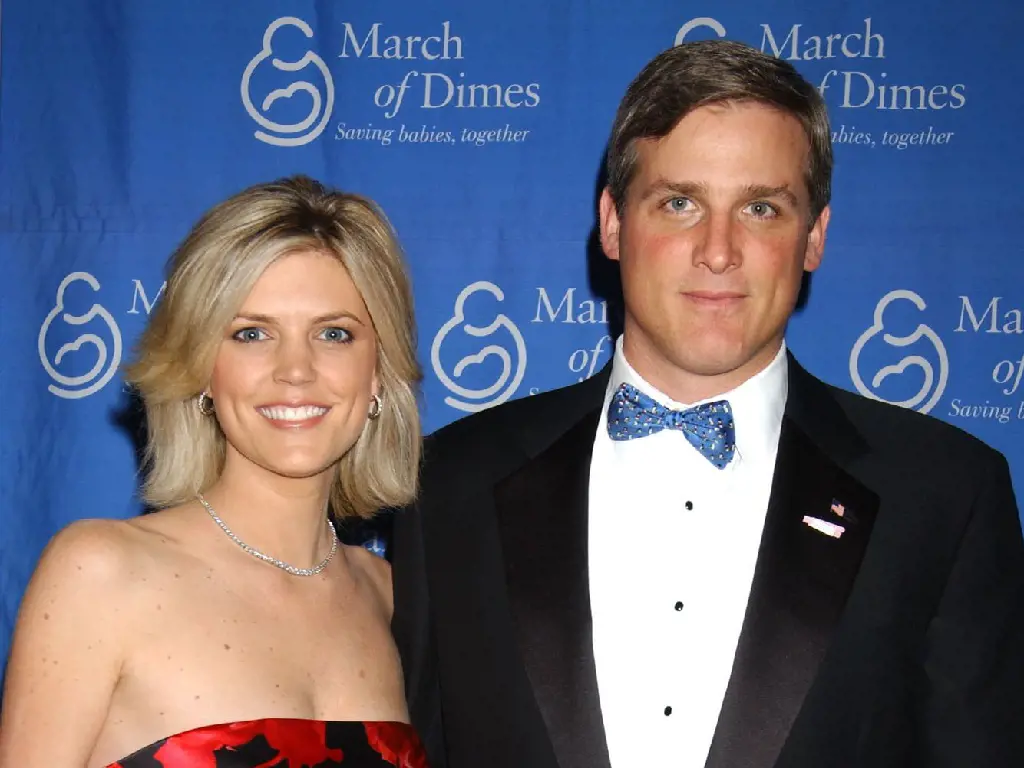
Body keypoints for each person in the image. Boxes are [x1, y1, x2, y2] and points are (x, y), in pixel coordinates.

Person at [391, 39, 1024, 768]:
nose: (718, 251)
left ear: (813, 237)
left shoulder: (944, 495)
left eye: (761, 207)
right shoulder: (450, 484)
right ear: (614, 223)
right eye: (679, 203)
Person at [0, 176, 431, 767]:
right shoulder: (100, 573)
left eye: (334, 334)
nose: (295, 371)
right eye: (252, 334)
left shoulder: (392, 596)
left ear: (378, 372)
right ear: (203, 367)